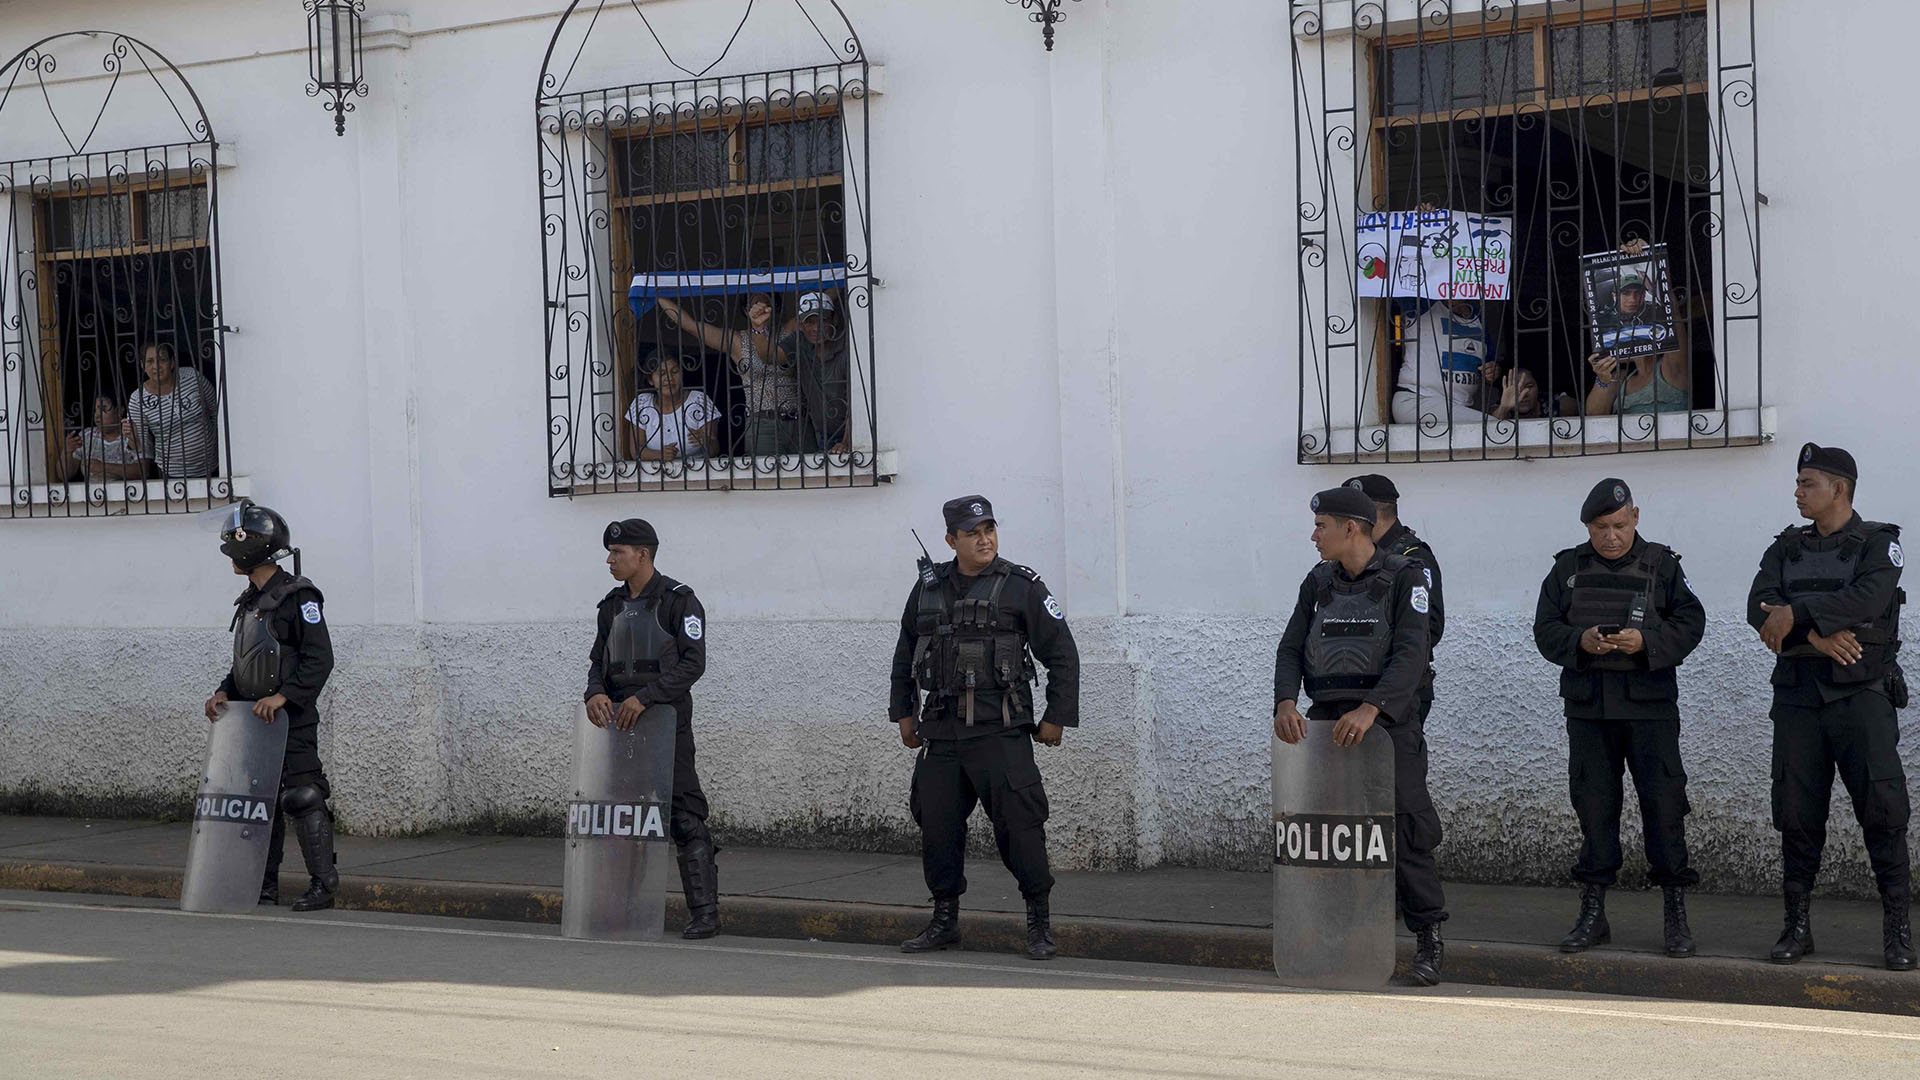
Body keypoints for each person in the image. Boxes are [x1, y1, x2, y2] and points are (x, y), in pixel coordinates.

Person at [889, 496, 1079, 960]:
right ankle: (944, 920)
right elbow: (905, 651)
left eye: (989, 528)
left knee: (1021, 827)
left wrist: (1056, 717)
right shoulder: (928, 590)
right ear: (951, 540)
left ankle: (1038, 923)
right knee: (937, 826)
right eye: (972, 532)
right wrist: (904, 712)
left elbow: (1062, 655)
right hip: (944, 732)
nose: (984, 538)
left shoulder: (1022, 587)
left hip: (1001, 730)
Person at [1272, 486, 1447, 986]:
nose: (1313, 536)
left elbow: (1412, 653)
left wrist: (1373, 708)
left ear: (1351, 528)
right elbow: (1290, 647)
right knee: (1334, 836)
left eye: (1321, 526)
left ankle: (1429, 937)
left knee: (1406, 829)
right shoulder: (1318, 582)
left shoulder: (1406, 576)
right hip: (1328, 724)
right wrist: (1286, 701)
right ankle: (1340, 934)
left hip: (1388, 725)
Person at [1748, 443, 1913, 971]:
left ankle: (1898, 930)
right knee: (1796, 813)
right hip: (1799, 694)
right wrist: (1816, 639)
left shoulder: (1878, 545)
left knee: (1883, 813)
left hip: (1861, 695)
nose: (1796, 493)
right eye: (1797, 484)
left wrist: (1795, 613)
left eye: (1806, 484)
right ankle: (1797, 926)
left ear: (1838, 489)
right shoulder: (1785, 548)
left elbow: (1867, 602)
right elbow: (1757, 607)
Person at [1532, 478, 1704, 958]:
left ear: (1636, 518)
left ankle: (1674, 913)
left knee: (1664, 808)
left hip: (1649, 709)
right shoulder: (1567, 569)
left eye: (1620, 525)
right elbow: (1545, 629)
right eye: (1601, 527)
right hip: (1590, 709)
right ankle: (1593, 913)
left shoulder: (1662, 566)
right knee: (1594, 809)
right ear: (1588, 526)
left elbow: (1692, 623)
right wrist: (1579, 643)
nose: (1611, 536)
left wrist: (1646, 642)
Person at [584, 518, 719, 939]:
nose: (609, 560)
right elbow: (597, 662)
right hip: (618, 730)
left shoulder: (680, 601)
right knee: (624, 821)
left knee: (683, 818)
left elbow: (692, 663)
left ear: (642, 555)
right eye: (609, 552)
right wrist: (594, 694)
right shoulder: (610, 606)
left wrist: (647, 697)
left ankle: (705, 914)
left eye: (617, 553)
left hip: (665, 725)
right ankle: (621, 911)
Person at [202, 500, 337, 911]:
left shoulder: (299, 597)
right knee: (259, 804)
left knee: (302, 796)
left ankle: (323, 887)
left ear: (251, 550)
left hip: (290, 719)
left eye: (233, 551)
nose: (230, 560)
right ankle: (264, 886)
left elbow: (320, 659)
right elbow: (248, 661)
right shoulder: (249, 601)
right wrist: (224, 691)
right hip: (251, 720)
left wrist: (285, 697)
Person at [1345, 474, 1443, 723]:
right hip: (1351, 687)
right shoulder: (1352, 558)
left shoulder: (1413, 558)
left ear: (1369, 517)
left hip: (1397, 695)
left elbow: (1429, 627)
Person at [655, 293, 804, 456]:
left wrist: (837, 269)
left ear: (775, 307)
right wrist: (656, 294)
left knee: (812, 476)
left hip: (798, 421)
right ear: (746, 310)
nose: (760, 309)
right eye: (754, 305)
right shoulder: (738, 340)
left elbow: (821, 302)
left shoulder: (788, 331)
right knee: (767, 478)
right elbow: (692, 326)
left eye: (765, 304)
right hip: (763, 424)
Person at [1584, 241, 1691, 417]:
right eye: (1626, 293)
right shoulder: (1621, 378)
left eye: (1638, 293)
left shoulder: (1670, 369)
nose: (1632, 299)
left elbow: (1672, 314)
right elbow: (1594, 416)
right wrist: (1603, 379)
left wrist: (1648, 258)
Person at [1390, 298, 1494, 427]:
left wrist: (1492, 372)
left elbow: (1489, 365)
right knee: (1494, 427)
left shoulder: (1478, 319)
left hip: (1458, 407)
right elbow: (1399, 285)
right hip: (1418, 400)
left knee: (1492, 429)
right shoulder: (1423, 305)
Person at [127, 342, 219, 479]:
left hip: (213, 466)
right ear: (142, 365)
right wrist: (132, 437)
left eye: (162, 360)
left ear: (172, 362)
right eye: (150, 361)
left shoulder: (192, 376)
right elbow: (142, 446)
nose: (156, 366)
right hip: (172, 474)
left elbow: (216, 410)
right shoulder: (137, 399)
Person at [780, 291, 852, 454]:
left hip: (855, 435)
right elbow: (768, 356)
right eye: (809, 322)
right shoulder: (800, 343)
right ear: (801, 325)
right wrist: (759, 327)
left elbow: (857, 401)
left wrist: (845, 442)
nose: (816, 328)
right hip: (825, 435)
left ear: (835, 320)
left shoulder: (846, 349)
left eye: (822, 321)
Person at [625, 353, 718, 463]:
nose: (669, 378)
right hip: (654, 474)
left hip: (699, 471)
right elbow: (636, 451)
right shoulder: (642, 403)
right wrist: (660, 455)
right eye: (661, 373)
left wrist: (704, 441)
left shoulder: (698, 400)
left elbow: (715, 449)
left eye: (674, 372)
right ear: (650, 380)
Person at [64, 394, 147, 482]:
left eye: (102, 409)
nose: (97, 415)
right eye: (95, 410)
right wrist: (67, 452)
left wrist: (103, 467)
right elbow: (64, 475)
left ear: (119, 411)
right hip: (91, 494)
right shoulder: (87, 436)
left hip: (127, 493)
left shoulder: (132, 434)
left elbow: (144, 471)